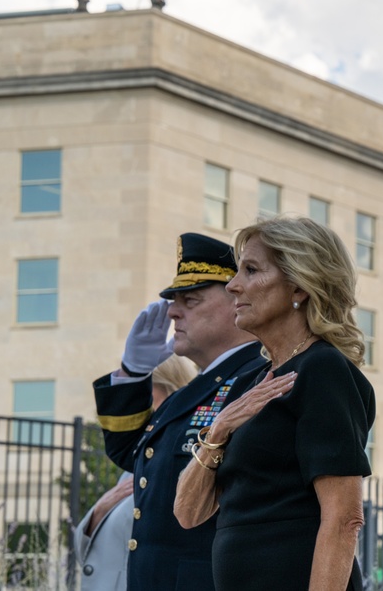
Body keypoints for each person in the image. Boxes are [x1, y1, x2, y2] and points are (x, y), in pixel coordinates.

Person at [174, 216, 376, 591]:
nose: (233, 286)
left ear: (299, 285)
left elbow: (344, 518)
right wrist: (218, 430)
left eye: (251, 270)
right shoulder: (250, 386)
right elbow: (188, 513)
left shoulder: (322, 370)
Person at [93, 233, 267, 591]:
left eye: (191, 299)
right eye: (174, 301)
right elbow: (132, 454)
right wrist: (132, 374)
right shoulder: (194, 392)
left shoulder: (257, 381)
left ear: (237, 300)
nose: (172, 312)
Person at [73, 354, 197, 590]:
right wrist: (99, 510)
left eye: (145, 400)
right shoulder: (134, 468)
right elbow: (85, 555)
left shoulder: (180, 464)